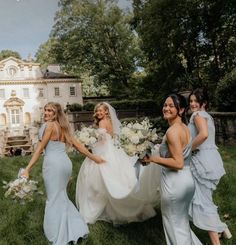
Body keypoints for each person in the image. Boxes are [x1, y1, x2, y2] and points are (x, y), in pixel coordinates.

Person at [21, 102, 105, 245]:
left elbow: (40, 149)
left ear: (56, 113)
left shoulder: (49, 126)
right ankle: (75, 226)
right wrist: (95, 158)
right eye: (45, 110)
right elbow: (79, 146)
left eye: (50, 111)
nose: (46, 113)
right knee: (61, 196)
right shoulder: (63, 127)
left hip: (53, 165)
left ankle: (55, 233)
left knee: (53, 198)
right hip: (65, 164)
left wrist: (27, 169)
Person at [76, 102, 160, 225]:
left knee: (97, 181)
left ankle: (97, 207)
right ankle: (115, 207)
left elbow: (102, 141)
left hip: (104, 152)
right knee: (116, 179)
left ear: (106, 112)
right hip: (113, 152)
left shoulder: (102, 122)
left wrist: (89, 142)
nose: (99, 112)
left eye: (101, 110)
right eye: (97, 110)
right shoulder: (110, 122)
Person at [143, 93, 202, 245]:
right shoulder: (184, 127)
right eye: (165, 105)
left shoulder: (172, 132)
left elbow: (178, 163)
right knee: (181, 225)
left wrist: (153, 159)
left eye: (171, 106)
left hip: (174, 183)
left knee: (175, 228)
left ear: (181, 110)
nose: (166, 108)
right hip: (187, 181)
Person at [188, 88, 232, 245]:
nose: (192, 104)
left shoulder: (198, 115)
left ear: (203, 103)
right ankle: (222, 229)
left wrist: (187, 149)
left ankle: (216, 242)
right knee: (204, 199)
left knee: (202, 202)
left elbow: (204, 135)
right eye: (191, 101)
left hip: (202, 163)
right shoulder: (208, 116)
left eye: (196, 101)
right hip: (210, 159)